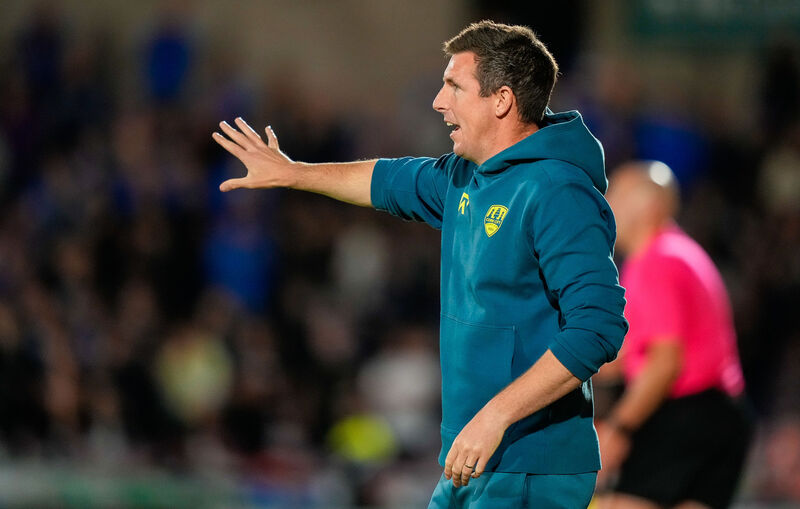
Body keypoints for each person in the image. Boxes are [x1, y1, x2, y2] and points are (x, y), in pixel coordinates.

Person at [213, 20, 628, 508]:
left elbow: (598, 327)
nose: (438, 101)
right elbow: (385, 180)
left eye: (454, 85)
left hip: (528, 466)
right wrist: (293, 173)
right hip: (471, 457)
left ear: (501, 100)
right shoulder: (465, 178)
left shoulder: (558, 191)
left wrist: (495, 416)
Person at [596, 161, 753, 509]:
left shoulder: (656, 261)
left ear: (649, 206)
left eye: (616, 192)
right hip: (723, 416)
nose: (605, 202)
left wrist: (619, 427)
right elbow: (627, 356)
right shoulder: (680, 253)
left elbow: (665, 362)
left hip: (683, 414)